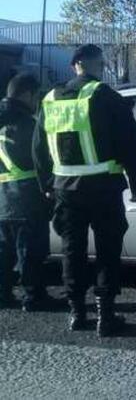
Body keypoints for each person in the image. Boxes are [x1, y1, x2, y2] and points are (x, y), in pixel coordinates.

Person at [33, 44, 136, 337]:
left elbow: (38, 150)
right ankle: (105, 316)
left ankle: (76, 312)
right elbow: (130, 143)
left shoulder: (50, 99)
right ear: (94, 64)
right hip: (104, 188)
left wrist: (46, 184)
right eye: (101, 63)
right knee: (108, 250)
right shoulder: (105, 96)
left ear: (74, 65)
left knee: (73, 250)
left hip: (65, 190)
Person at [0, 73, 56, 311]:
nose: (38, 101)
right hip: (27, 198)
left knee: (4, 251)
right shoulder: (29, 124)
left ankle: (3, 294)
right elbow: (44, 160)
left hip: (2, 200)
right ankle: (34, 296)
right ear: (26, 94)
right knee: (31, 251)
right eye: (36, 96)